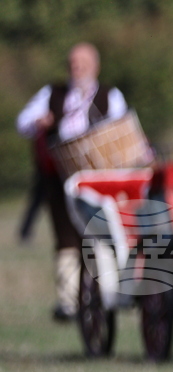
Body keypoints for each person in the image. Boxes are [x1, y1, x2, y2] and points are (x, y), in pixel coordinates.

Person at [16, 43, 128, 321]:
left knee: (100, 235)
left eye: (83, 64)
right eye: (73, 64)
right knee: (65, 237)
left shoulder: (110, 96)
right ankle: (68, 301)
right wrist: (40, 122)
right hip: (60, 178)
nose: (77, 68)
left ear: (95, 67)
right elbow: (23, 122)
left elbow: (122, 129)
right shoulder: (52, 93)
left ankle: (107, 292)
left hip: (100, 179)